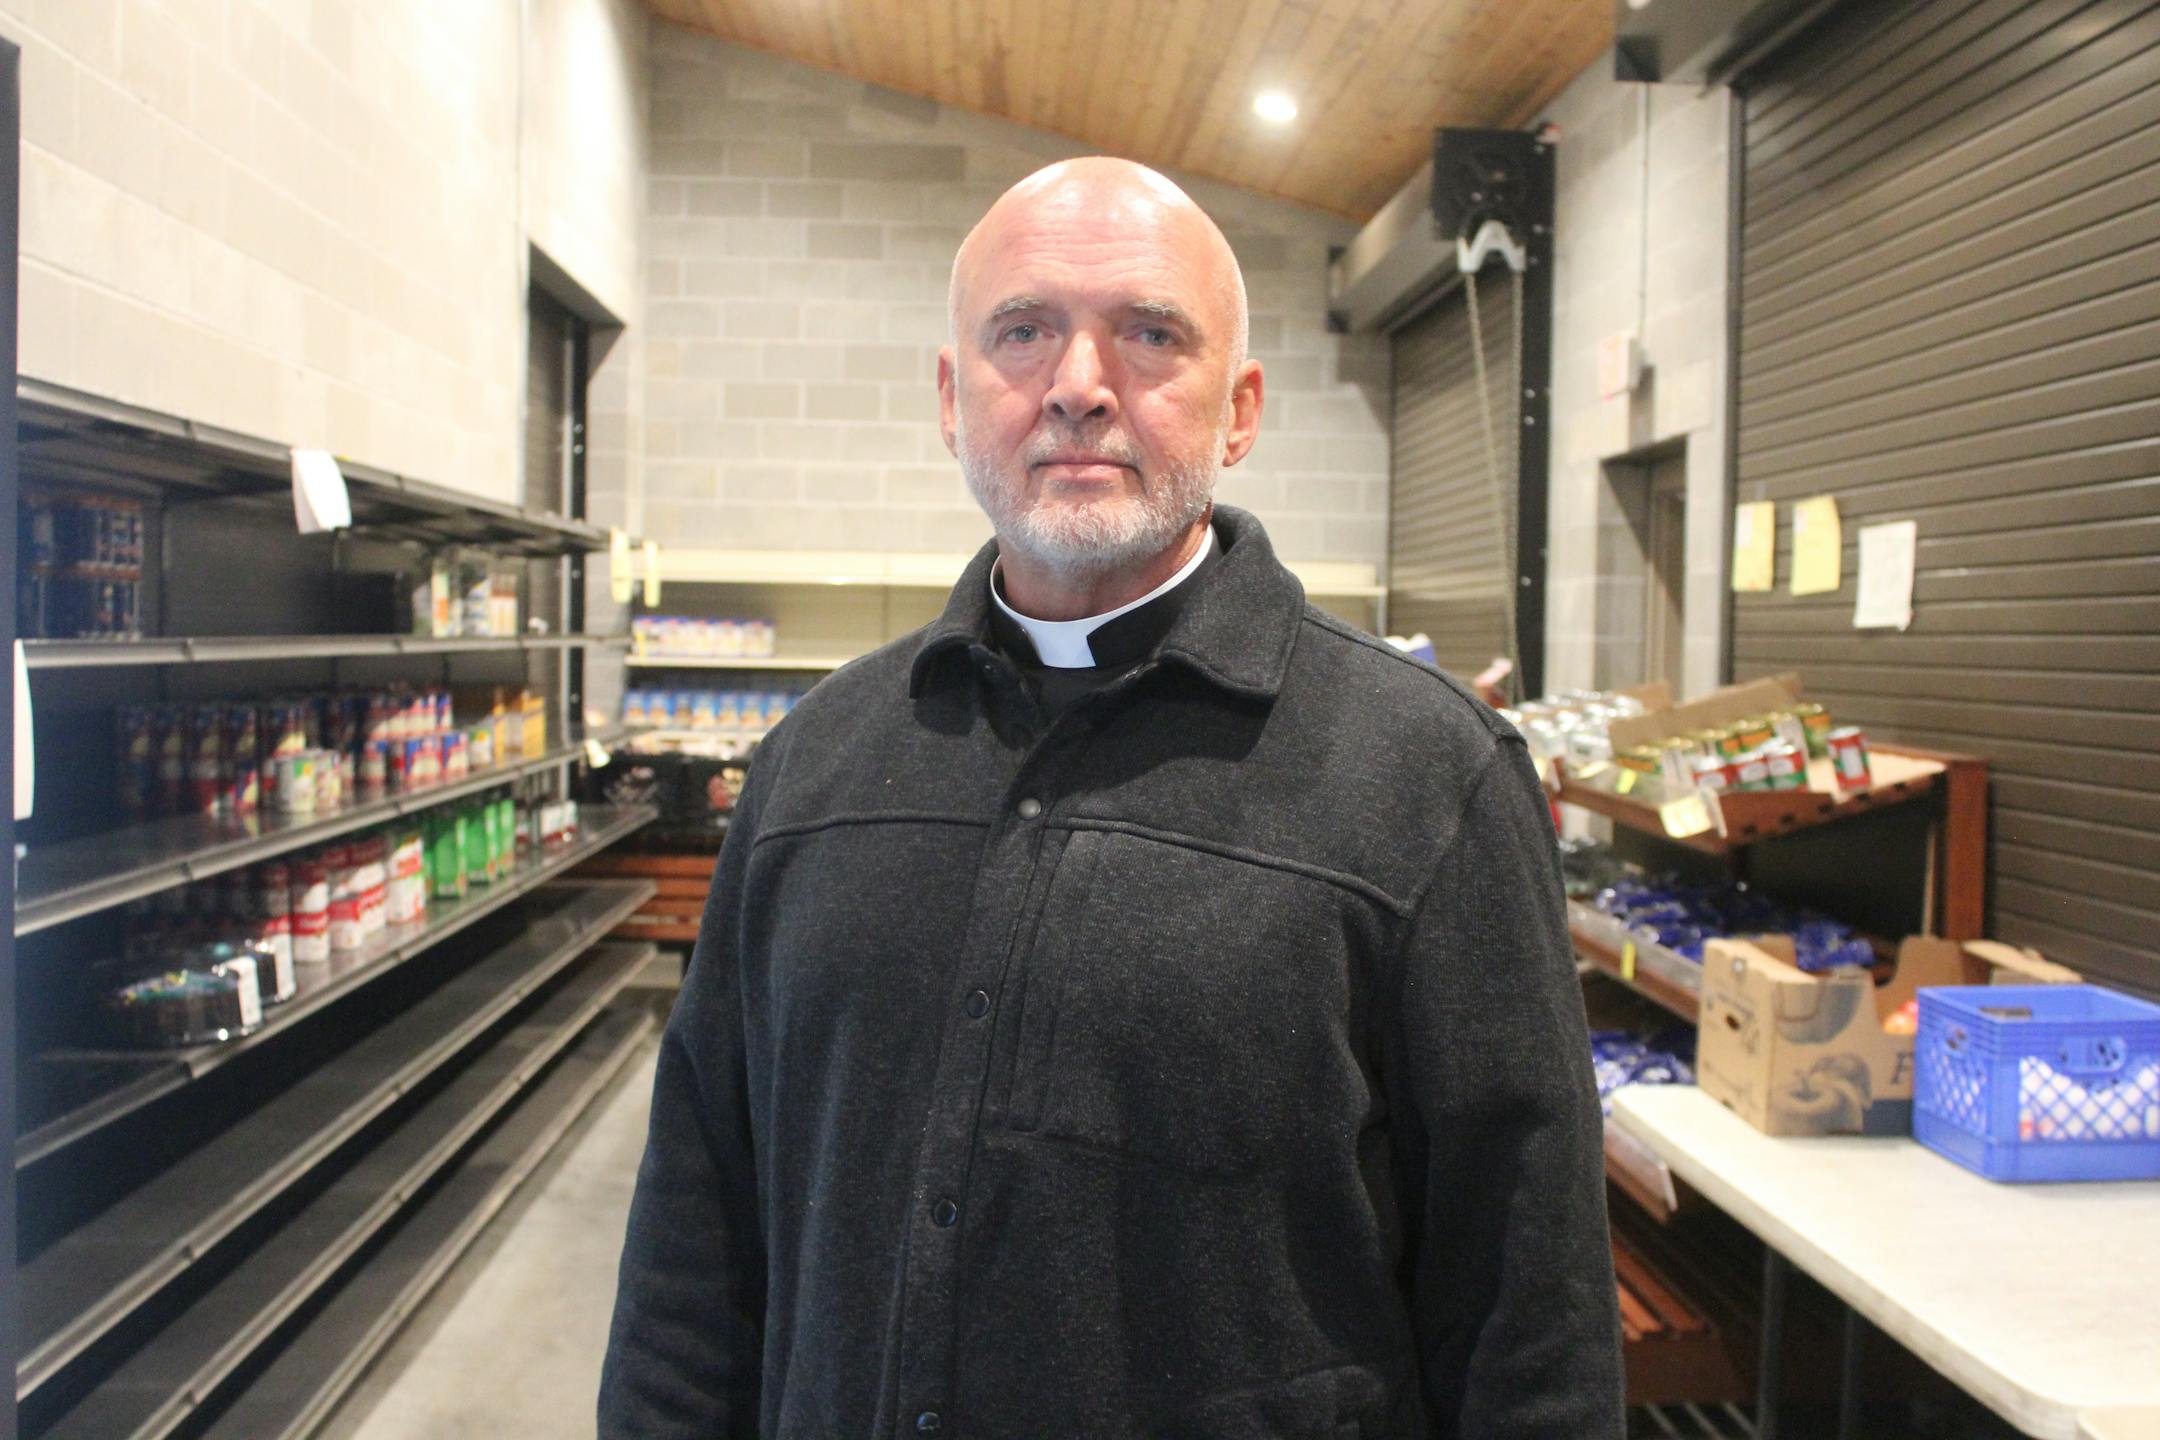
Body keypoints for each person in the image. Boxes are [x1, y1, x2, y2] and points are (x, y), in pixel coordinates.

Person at [599, 156, 1623, 1439]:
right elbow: (697, 1226)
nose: (1079, 384)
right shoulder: (815, 764)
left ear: (1239, 410)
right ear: (952, 398)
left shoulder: (1428, 776)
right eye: (1023, 331)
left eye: (1149, 334)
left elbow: (1528, 1309)